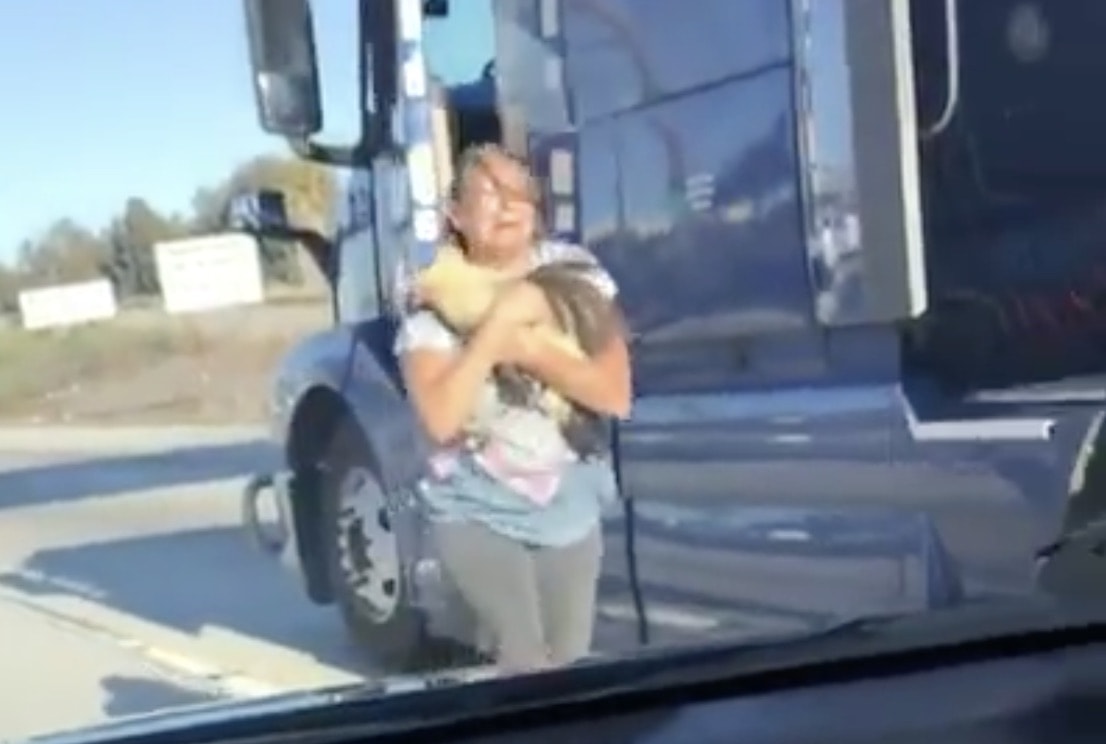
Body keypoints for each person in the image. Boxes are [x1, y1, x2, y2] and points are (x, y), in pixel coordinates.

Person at [394, 143, 632, 673]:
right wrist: (497, 327)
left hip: (567, 496)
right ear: (455, 215)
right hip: (475, 503)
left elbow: (614, 394)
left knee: (569, 663)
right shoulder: (434, 300)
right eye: (488, 195)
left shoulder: (575, 277)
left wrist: (528, 348)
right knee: (524, 658)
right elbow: (441, 419)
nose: (508, 207)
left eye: (520, 193)